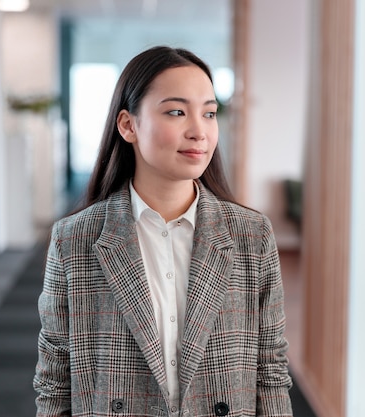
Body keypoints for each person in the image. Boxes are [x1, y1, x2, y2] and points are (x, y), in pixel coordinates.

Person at [33, 45, 294, 417]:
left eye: (209, 113)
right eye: (176, 112)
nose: (199, 131)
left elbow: (270, 371)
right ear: (128, 125)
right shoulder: (75, 239)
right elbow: (55, 379)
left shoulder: (251, 235)